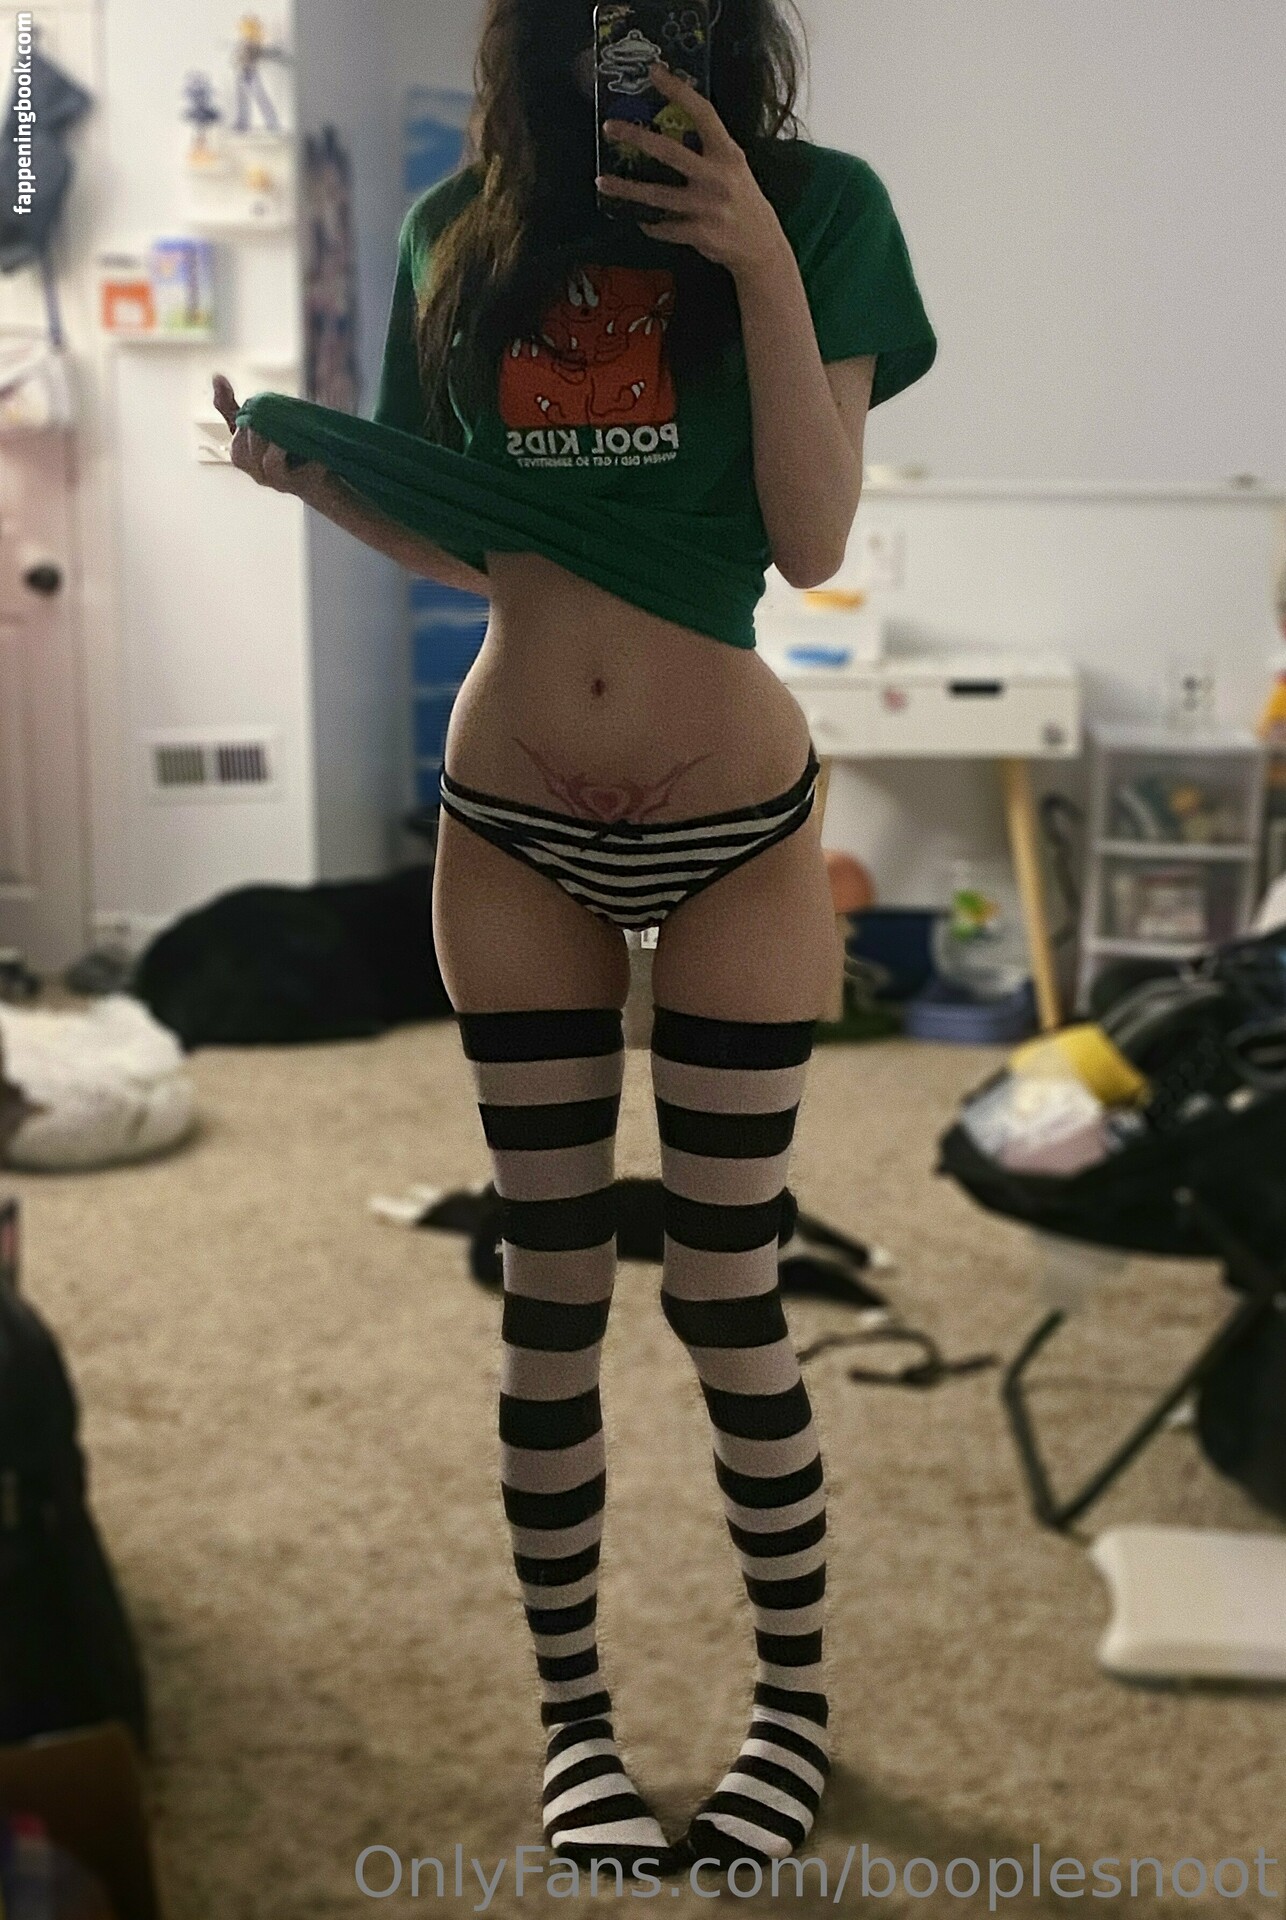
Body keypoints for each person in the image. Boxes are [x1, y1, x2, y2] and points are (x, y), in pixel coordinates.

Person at [212, 0, 936, 1882]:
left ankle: (790, 1714)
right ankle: (576, 1732)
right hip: (509, 820)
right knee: (548, 1292)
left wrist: (753, 255)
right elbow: (479, 541)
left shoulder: (825, 209)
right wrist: (325, 484)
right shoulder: (455, 228)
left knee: (726, 1291)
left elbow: (808, 539)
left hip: (736, 833)